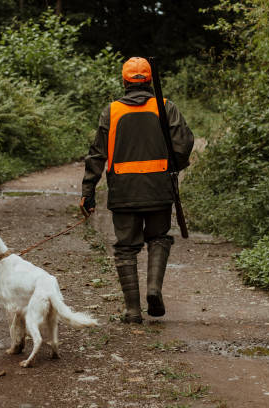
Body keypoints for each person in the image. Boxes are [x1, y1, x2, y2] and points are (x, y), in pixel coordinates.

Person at [80, 57, 194, 323]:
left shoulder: (112, 111)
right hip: (158, 189)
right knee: (158, 239)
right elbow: (184, 144)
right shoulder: (166, 108)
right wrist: (171, 168)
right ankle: (154, 290)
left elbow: (96, 155)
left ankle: (132, 310)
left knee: (125, 249)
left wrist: (88, 192)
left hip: (123, 192)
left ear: (125, 81)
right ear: (150, 80)